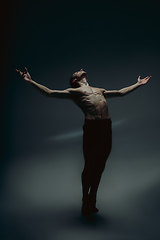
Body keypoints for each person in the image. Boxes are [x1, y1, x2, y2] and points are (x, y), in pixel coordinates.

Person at [16, 67, 152, 216]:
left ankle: (92, 198)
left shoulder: (99, 89)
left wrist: (138, 84)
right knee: (90, 165)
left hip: (106, 127)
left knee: (100, 165)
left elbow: (120, 93)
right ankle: (85, 199)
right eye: (77, 71)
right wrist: (30, 81)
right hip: (92, 128)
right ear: (75, 80)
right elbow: (49, 93)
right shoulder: (74, 92)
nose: (80, 69)